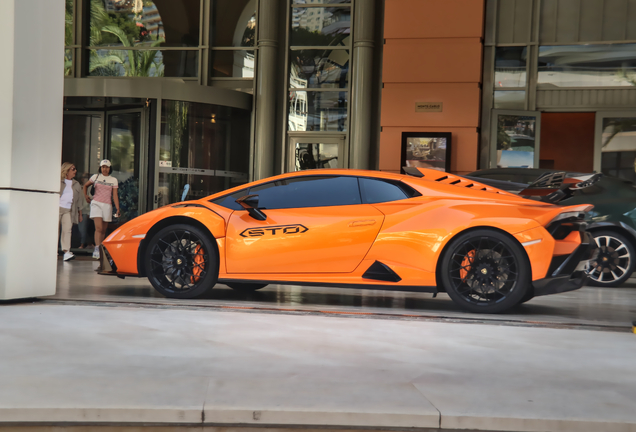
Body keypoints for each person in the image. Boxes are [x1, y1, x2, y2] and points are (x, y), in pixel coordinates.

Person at [83, 160, 120, 259]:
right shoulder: (95, 177)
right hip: (96, 204)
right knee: (98, 228)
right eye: (103, 167)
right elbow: (85, 186)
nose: (105, 169)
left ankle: (100, 249)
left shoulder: (113, 180)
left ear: (110, 168)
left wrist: (117, 208)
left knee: (103, 230)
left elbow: (115, 195)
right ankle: (96, 248)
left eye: (107, 167)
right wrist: (86, 196)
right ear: (100, 168)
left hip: (107, 205)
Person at [59, 162, 82, 262]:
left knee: (67, 230)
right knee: (54, 230)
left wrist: (80, 214)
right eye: (73, 169)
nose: (75, 171)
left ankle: (66, 251)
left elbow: (79, 201)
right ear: (67, 171)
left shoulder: (76, 184)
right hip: (57, 209)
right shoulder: (58, 181)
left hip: (68, 210)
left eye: (75, 169)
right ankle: (52, 251)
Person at [77, 172, 94, 250]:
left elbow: (90, 200)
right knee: (81, 228)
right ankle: (89, 243)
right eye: (83, 177)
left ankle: (82, 244)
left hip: (85, 211)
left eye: (86, 177)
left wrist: (88, 212)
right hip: (78, 210)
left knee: (83, 228)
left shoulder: (90, 189)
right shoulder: (79, 187)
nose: (84, 179)